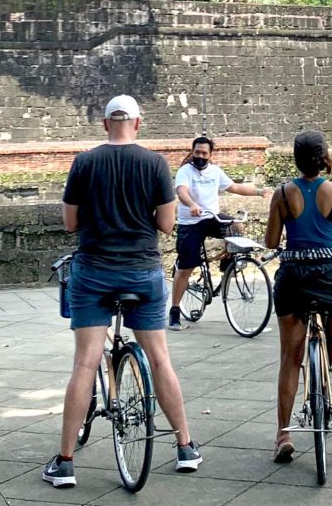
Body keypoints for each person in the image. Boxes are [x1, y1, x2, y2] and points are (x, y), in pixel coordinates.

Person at [44, 95, 201, 489]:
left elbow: (69, 222)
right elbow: (167, 225)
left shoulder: (85, 162)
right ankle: (185, 446)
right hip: (141, 273)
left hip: (94, 272)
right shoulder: (154, 164)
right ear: (138, 123)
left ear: (104, 124)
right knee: (161, 359)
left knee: (84, 363)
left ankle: (65, 463)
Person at [264, 129, 332, 464]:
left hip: (294, 279)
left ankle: (283, 434)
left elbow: (270, 241)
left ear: (295, 158)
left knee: (290, 359)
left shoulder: (282, 193)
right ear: (324, 158)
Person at [169, 136, 270, 331]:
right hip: (191, 221)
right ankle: (174, 311)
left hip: (212, 218)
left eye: (204, 153)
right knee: (186, 266)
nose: (200, 156)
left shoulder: (215, 172)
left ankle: (228, 265)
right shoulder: (185, 171)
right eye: (197, 152)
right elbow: (182, 192)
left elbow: (235, 187)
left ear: (210, 155)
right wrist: (192, 204)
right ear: (192, 152)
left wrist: (260, 192)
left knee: (235, 227)